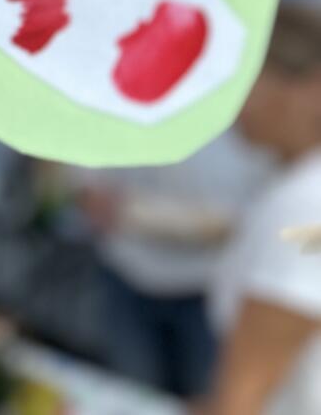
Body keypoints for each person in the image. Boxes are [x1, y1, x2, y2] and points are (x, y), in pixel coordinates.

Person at [73, 130, 269, 398]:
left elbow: (235, 223)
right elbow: (91, 195)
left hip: (205, 289)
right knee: (133, 394)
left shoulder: (246, 121)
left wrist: (131, 213)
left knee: (203, 395)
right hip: (125, 274)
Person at [207, 4, 321, 414]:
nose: (232, 102)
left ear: (310, 87)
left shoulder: (306, 205)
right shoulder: (297, 187)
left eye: (245, 80)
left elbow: (239, 403)